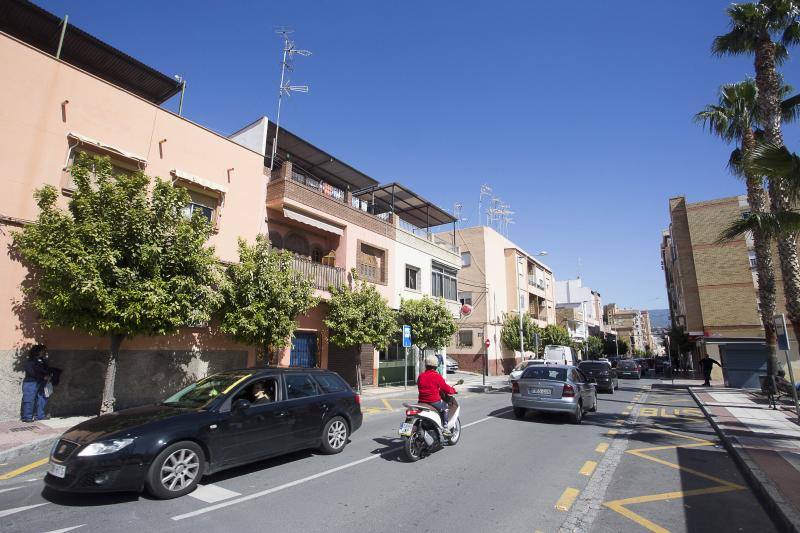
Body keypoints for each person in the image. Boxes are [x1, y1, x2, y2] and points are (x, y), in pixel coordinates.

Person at [417, 354, 457, 436]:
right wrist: (453, 390)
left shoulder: (421, 376)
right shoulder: (437, 376)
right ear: (436, 365)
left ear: (426, 365)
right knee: (445, 407)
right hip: (433, 402)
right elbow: (446, 388)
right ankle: (445, 428)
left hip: (421, 402)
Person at [21, 344, 52, 422]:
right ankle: (27, 417)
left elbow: (46, 369)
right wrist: (43, 377)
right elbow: (31, 372)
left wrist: (49, 375)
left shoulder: (42, 360)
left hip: (41, 382)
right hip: (31, 382)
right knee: (29, 399)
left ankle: (39, 416)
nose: (44, 352)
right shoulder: (30, 361)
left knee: (42, 398)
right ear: (37, 351)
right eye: (43, 350)